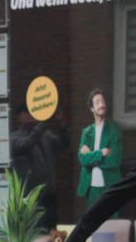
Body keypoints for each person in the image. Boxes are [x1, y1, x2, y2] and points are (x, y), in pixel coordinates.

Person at [11, 105, 65, 233]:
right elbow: (27, 144)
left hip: (48, 191)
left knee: (51, 228)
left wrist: (61, 125)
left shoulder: (44, 134)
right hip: (30, 194)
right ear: (19, 118)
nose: (30, 116)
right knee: (34, 229)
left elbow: (61, 144)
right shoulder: (14, 137)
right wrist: (41, 125)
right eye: (26, 113)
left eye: (31, 113)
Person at [77, 88, 120, 214]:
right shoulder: (86, 132)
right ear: (92, 108)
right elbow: (82, 160)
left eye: (103, 101)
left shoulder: (114, 129)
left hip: (110, 185)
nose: (101, 105)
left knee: (112, 223)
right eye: (97, 102)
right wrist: (101, 153)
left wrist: (91, 157)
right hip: (91, 188)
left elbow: (114, 160)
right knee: (93, 222)